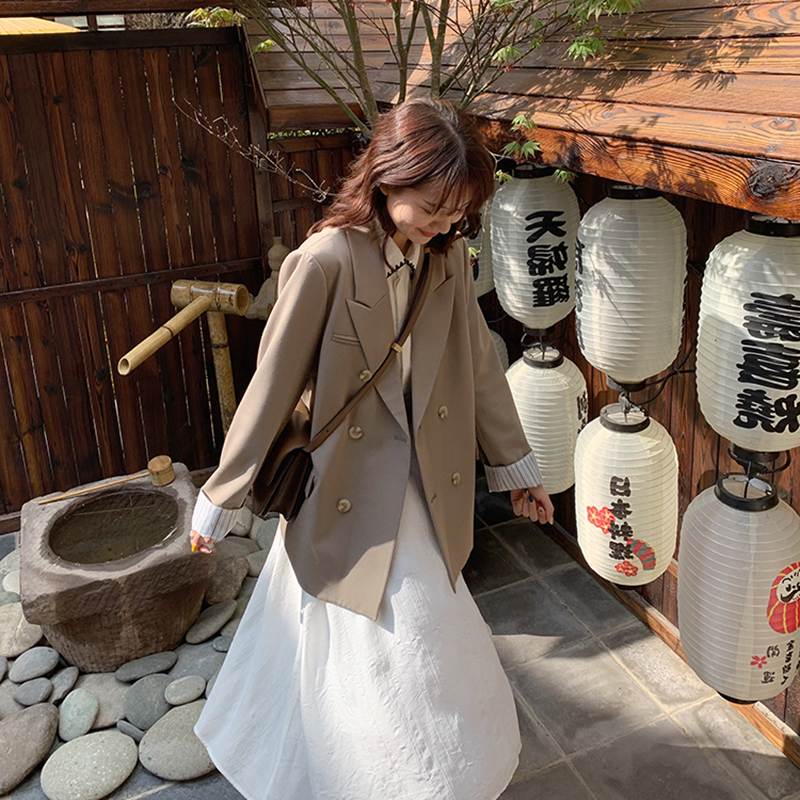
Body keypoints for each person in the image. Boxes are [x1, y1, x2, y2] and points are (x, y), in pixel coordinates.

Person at [189, 98, 554, 800]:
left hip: (425, 478)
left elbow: (478, 366)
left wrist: (517, 468)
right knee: (377, 630)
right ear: (387, 177)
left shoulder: (447, 258)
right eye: (434, 207)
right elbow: (272, 387)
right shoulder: (325, 260)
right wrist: (220, 497)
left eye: (459, 211)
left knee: (422, 631)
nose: (445, 223)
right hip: (346, 484)